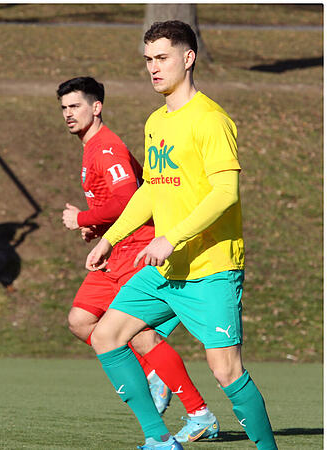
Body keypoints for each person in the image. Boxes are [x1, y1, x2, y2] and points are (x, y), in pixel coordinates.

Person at [86, 21, 276, 450]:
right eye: (148, 60)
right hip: (166, 269)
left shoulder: (211, 120)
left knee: (226, 370)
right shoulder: (156, 121)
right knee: (106, 335)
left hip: (211, 268)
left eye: (162, 58)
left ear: (188, 58)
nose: (153, 68)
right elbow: (152, 187)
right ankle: (159, 439)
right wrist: (111, 238)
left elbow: (226, 192)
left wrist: (172, 237)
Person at [58, 76, 219, 442]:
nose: (68, 114)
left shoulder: (106, 148)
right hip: (117, 250)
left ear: (96, 107)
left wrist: (82, 218)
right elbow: (114, 204)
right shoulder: (91, 147)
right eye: (64, 108)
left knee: (141, 335)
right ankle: (154, 375)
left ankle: (196, 411)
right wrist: (98, 228)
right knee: (81, 321)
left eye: (76, 106)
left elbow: (129, 195)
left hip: (137, 249)